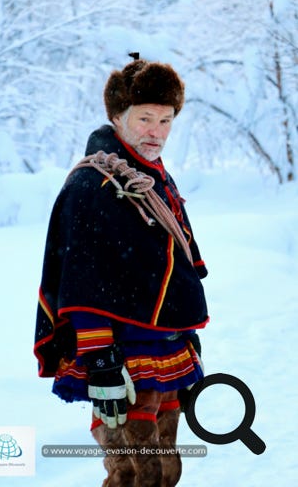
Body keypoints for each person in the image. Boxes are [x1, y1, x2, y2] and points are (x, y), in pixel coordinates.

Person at [34, 53, 209, 487]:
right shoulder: (92, 183)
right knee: (134, 473)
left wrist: (186, 335)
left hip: (165, 351)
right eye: (146, 118)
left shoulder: (154, 178)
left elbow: (173, 263)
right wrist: (101, 361)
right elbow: (81, 280)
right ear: (117, 115)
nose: (157, 132)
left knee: (168, 469)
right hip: (121, 358)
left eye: (166, 121)